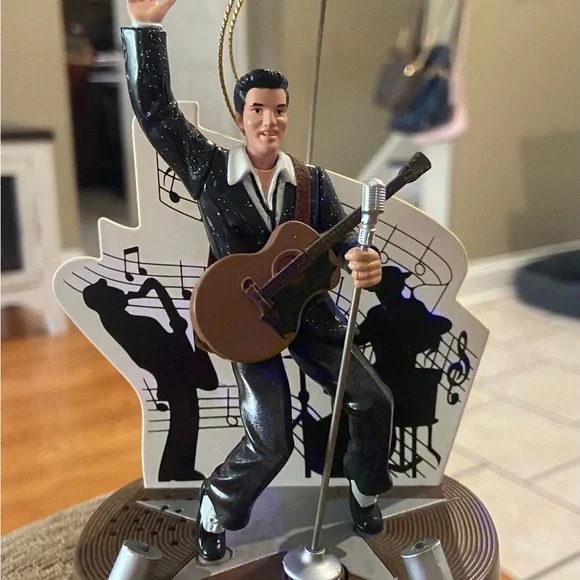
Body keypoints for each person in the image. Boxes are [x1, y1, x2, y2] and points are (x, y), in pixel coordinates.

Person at [122, 0, 394, 561]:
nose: (270, 121)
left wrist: (362, 260)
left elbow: (343, 243)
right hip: (246, 323)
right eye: (258, 110)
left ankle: (365, 492)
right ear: (240, 115)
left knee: (372, 398)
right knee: (270, 440)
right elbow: (157, 115)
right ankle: (214, 509)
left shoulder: (313, 183)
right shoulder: (207, 169)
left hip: (308, 312)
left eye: (280, 110)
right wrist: (146, 28)